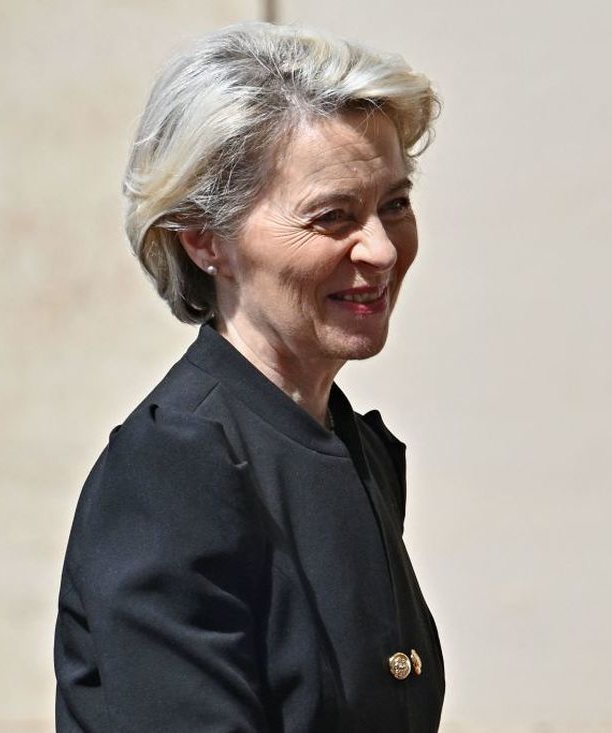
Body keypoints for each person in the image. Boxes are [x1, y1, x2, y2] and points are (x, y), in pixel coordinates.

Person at [53, 21, 444, 731]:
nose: (383, 250)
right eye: (333, 217)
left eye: (394, 204)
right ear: (206, 240)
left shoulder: (342, 441)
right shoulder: (171, 469)